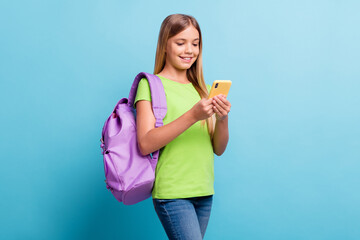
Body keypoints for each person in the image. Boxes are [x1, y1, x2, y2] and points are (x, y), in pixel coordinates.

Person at [134, 14, 231, 240]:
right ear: (164, 45)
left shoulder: (204, 90)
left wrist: (223, 119)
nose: (189, 50)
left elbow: (218, 148)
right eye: (180, 42)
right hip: (173, 192)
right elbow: (145, 143)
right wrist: (192, 115)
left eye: (195, 44)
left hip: (204, 192)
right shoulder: (150, 85)